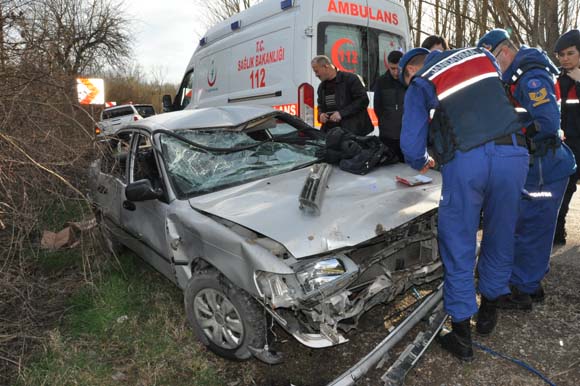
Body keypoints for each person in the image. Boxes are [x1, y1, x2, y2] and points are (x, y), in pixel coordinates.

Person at [399, 47, 529, 361]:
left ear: (411, 70)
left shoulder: (421, 83)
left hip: (468, 160)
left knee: (458, 240)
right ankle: (489, 313)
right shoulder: (481, 56)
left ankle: (461, 335)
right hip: (514, 153)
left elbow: (411, 147)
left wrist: (424, 160)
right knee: (500, 233)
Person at [477, 29, 576, 310]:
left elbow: (545, 122)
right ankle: (530, 281)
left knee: (533, 229)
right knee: (527, 226)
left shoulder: (531, 77)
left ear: (505, 52)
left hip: (545, 166)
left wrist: (508, 132)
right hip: (536, 165)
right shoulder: (516, 75)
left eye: (492, 59)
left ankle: (523, 290)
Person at [553, 29, 580, 245]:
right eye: (561, 55)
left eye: (570, 53)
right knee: (564, 188)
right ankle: (557, 231)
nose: (565, 59)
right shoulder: (556, 80)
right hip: (568, 145)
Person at [311, 55, 373, 136]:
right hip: (331, 132)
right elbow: (320, 106)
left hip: (352, 132)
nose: (316, 75)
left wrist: (341, 113)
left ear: (326, 66)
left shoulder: (350, 79)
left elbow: (363, 100)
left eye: (317, 71)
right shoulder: (321, 87)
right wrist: (321, 115)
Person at [372, 50, 405, 161]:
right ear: (388, 65)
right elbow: (377, 106)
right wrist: (385, 121)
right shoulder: (381, 82)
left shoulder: (409, 82)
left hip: (405, 134)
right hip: (387, 135)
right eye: (392, 68)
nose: (396, 72)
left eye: (398, 69)